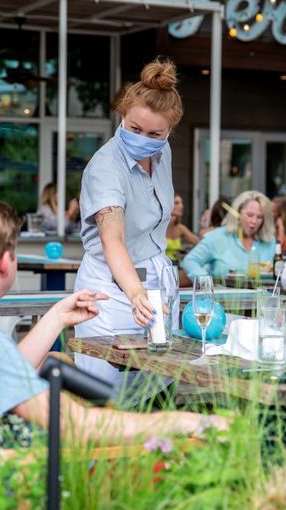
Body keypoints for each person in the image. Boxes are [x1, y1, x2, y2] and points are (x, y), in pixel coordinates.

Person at [0, 196, 228, 497]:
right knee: (188, 460)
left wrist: (57, 317)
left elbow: (4, 371)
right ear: (5, 263)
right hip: (34, 485)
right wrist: (179, 420)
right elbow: (77, 427)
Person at [74, 58, 181, 389]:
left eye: (154, 133)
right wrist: (135, 293)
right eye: (135, 129)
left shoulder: (163, 154)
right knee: (106, 392)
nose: (143, 139)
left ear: (168, 132)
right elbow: (113, 240)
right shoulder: (107, 167)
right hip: (112, 289)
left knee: (157, 388)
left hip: (156, 285)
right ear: (122, 117)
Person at [182, 190, 276, 281]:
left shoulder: (269, 241)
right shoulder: (217, 237)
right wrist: (205, 282)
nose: (254, 221)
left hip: (261, 296)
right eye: (250, 215)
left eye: (259, 217)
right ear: (237, 212)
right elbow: (190, 261)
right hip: (222, 296)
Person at [165, 194, 199, 262]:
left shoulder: (179, 227)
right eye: (176, 203)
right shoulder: (159, 226)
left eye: (181, 203)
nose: (181, 206)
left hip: (176, 265)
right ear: (168, 204)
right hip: (160, 266)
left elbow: (197, 242)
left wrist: (184, 251)